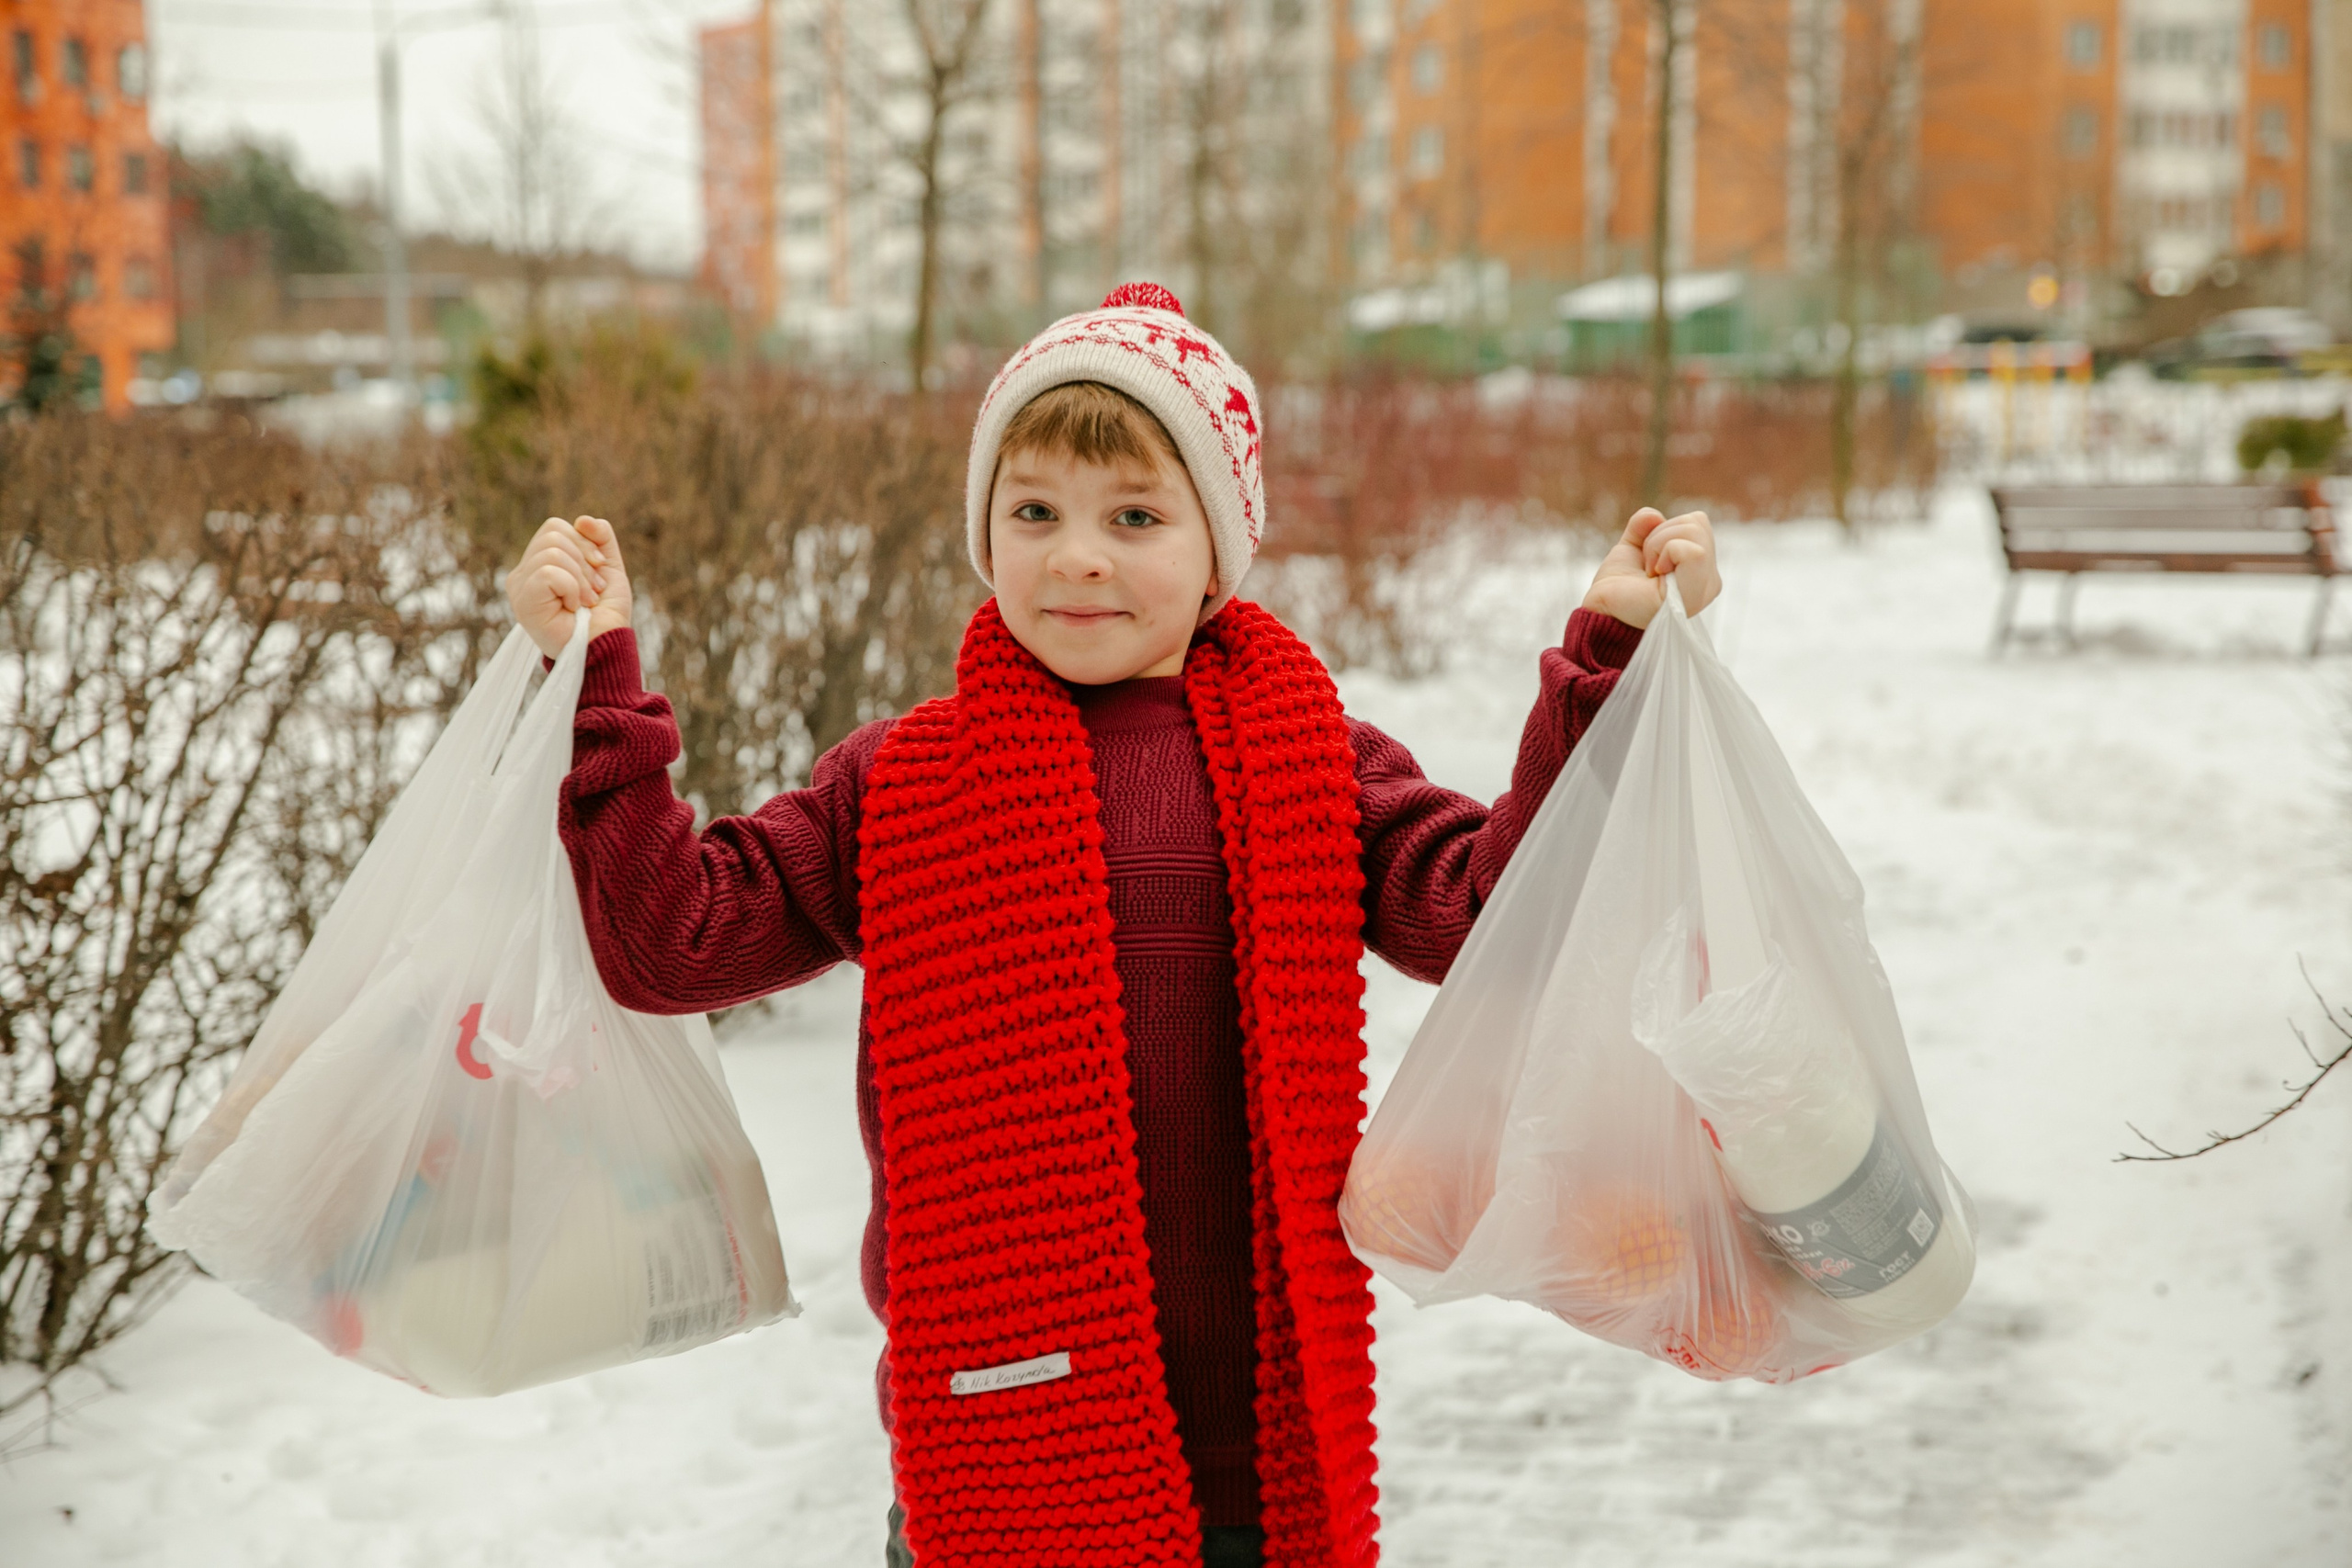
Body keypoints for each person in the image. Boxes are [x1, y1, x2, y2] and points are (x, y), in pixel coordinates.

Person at [504, 282, 1719, 1568]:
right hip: (998, 1459)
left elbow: (1499, 916)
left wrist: (1606, 669)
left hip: (1257, 1460)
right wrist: (593, 683)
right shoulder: (900, 785)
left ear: (1216, 555)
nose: (1077, 555)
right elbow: (672, 939)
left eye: (1134, 517)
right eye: (1034, 513)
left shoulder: (1316, 768)